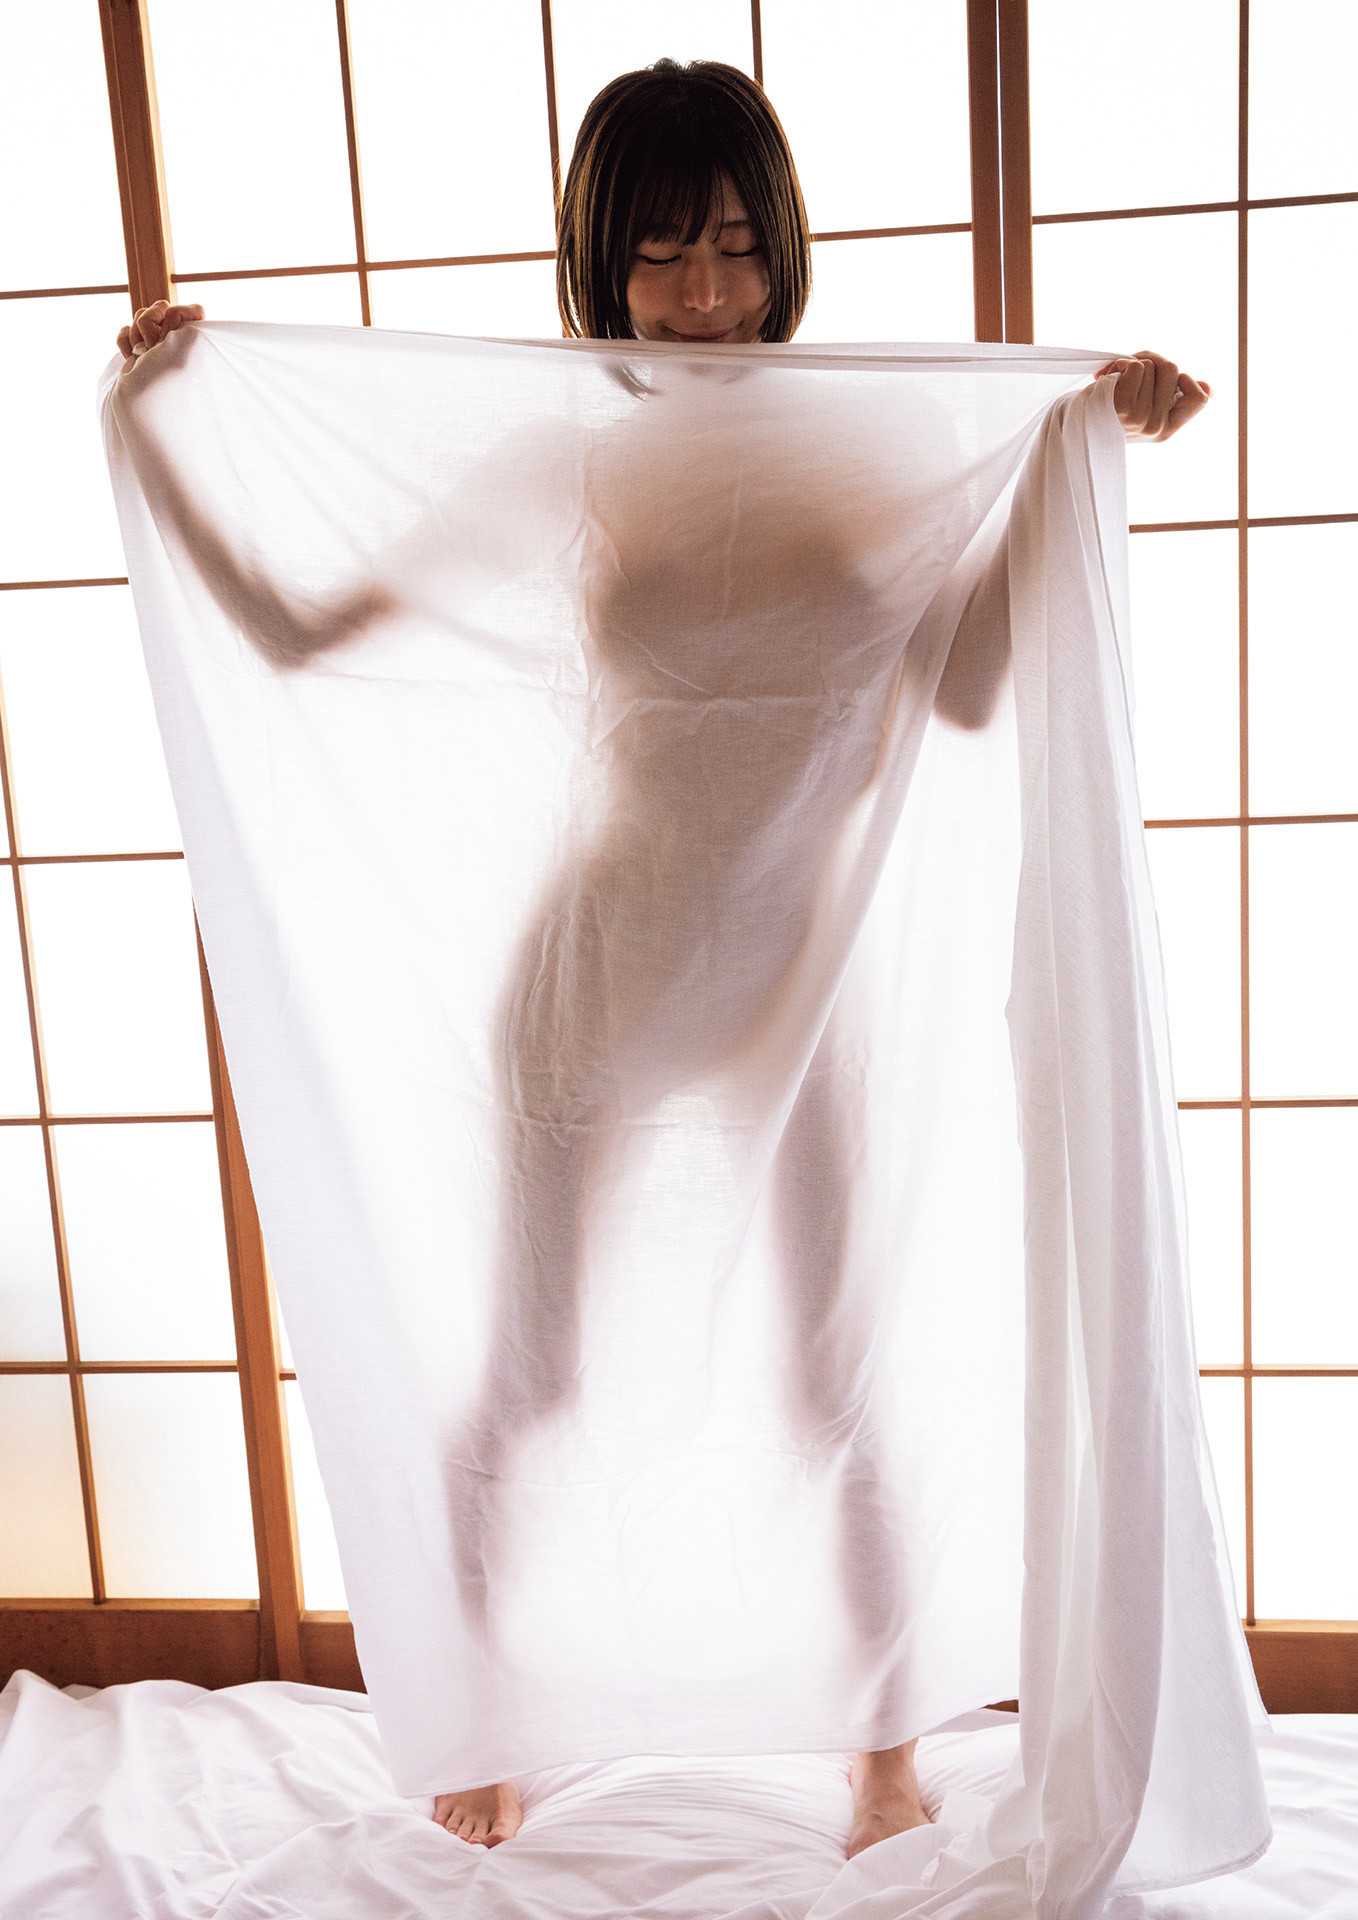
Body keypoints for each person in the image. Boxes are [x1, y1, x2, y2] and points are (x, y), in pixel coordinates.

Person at [113, 56, 1210, 1863]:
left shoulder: (879, 441)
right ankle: (485, 1716)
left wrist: (1078, 462)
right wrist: (157, 430)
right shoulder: (570, 449)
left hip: (807, 970)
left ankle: (879, 1751)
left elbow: (964, 693)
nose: (702, 294)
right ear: (598, 263)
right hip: (606, 958)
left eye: (730, 247)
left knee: (833, 1368)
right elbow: (303, 634)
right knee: (531, 1376)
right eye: (656, 255)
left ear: (781, 244)